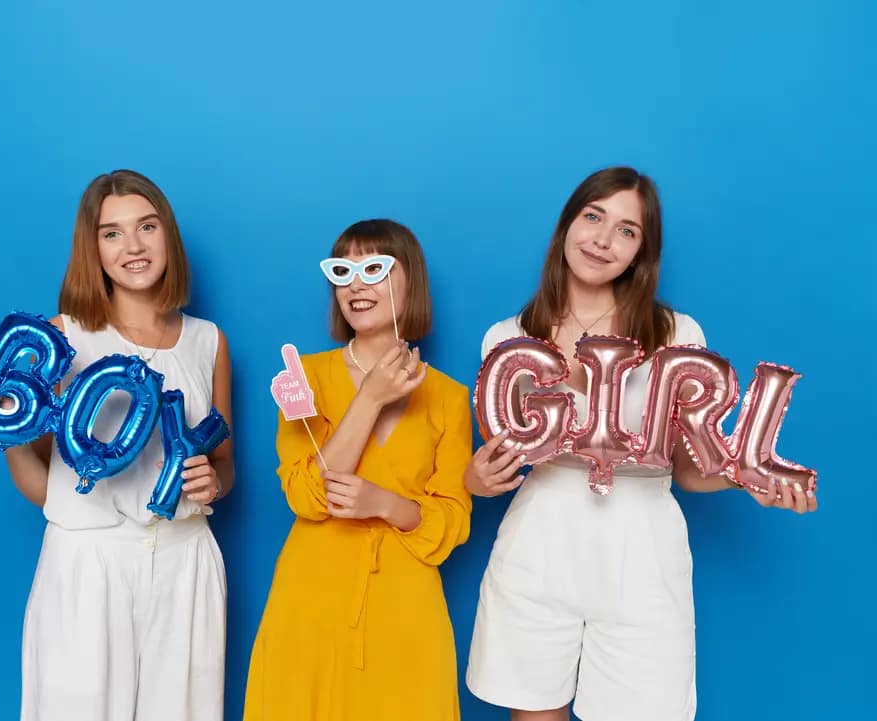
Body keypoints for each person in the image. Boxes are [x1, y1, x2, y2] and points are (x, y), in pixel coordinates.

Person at [464, 166, 817, 721]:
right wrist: (479, 481)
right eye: (593, 217)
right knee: (534, 710)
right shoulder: (507, 338)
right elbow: (501, 461)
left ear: (640, 253)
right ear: (567, 225)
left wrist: (746, 477)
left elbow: (687, 469)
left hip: (643, 554)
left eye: (627, 230)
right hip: (538, 548)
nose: (603, 240)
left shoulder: (677, 335)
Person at [0, 169, 234, 721]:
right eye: (112, 233)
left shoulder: (209, 341)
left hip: (186, 560)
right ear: (93, 249)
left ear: (168, 236)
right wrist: (2, 425)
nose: (133, 246)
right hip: (88, 563)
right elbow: (43, 488)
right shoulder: (65, 337)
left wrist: (213, 481)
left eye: (147, 226)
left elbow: (225, 464)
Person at [243, 219, 471, 721]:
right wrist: (369, 399)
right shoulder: (304, 377)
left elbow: (453, 522)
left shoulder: (450, 398)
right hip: (311, 600)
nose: (356, 285)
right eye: (343, 272)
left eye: (374, 269)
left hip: (407, 608)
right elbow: (305, 496)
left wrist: (384, 504)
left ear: (412, 281)